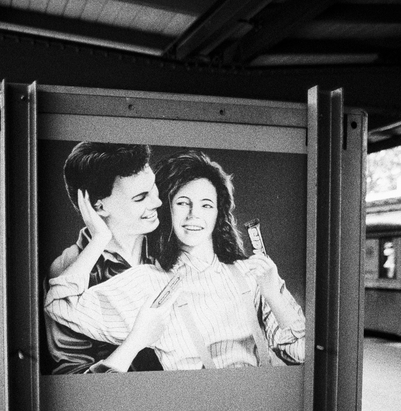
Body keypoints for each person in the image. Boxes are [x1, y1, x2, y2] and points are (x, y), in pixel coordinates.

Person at [44, 150, 305, 371]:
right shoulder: (150, 283)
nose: (194, 215)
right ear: (168, 210)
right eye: (182, 203)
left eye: (206, 205)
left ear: (219, 212)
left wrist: (274, 296)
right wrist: (100, 236)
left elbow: (301, 353)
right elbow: (59, 304)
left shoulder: (253, 274)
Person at [45, 141, 164, 373]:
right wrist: (135, 341)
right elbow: (70, 375)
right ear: (98, 207)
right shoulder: (67, 272)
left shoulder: (173, 243)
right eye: (140, 198)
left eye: (154, 188)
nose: (157, 202)